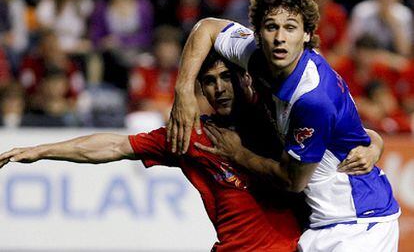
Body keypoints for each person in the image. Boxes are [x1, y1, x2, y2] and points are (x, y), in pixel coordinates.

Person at [0, 51, 383, 251]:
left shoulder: (274, 119)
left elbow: (341, 132)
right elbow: (115, 145)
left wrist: (374, 143)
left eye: (225, 78)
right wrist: (40, 149)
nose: (218, 89)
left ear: (244, 78)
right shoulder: (194, 135)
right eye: (208, 82)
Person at [167, 0, 400, 252]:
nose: (279, 37)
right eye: (271, 27)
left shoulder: (312, 99)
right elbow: (207, 27)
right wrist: (183, 90)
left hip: (358, 223)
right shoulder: (255, 56)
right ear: (258, 32)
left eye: (290, 27)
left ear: (307, 35)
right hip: (323, 223)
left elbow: (293, 180)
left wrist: (238, 154)